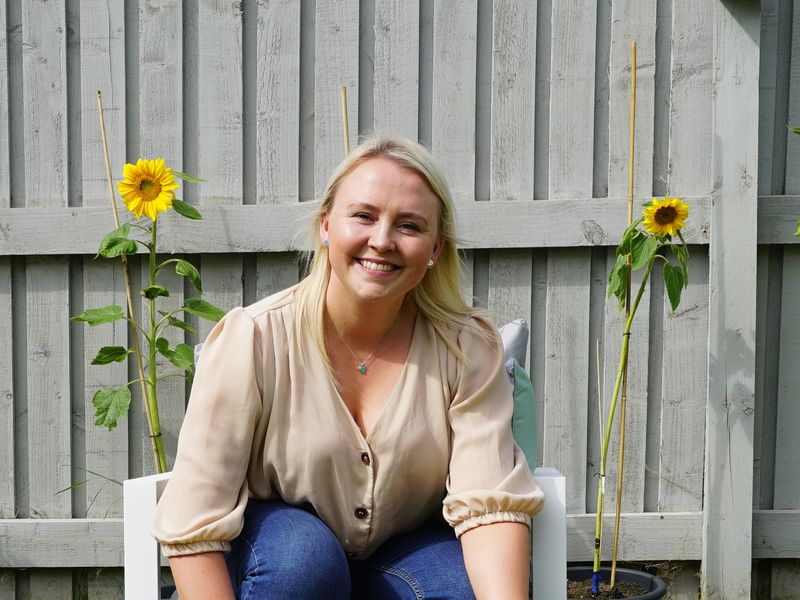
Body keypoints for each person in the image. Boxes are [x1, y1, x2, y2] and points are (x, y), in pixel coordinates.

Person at [151, 135, 543, 599]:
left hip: (404, 552)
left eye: (410, 226)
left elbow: (488, 508)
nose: (382, 240)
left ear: (436, 248)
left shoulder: (467, 348)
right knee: (305, 559)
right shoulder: (253, 337)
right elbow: (196, 515)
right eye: (363, 215)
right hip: (278, 555)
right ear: (325, 226)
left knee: (456, 588)